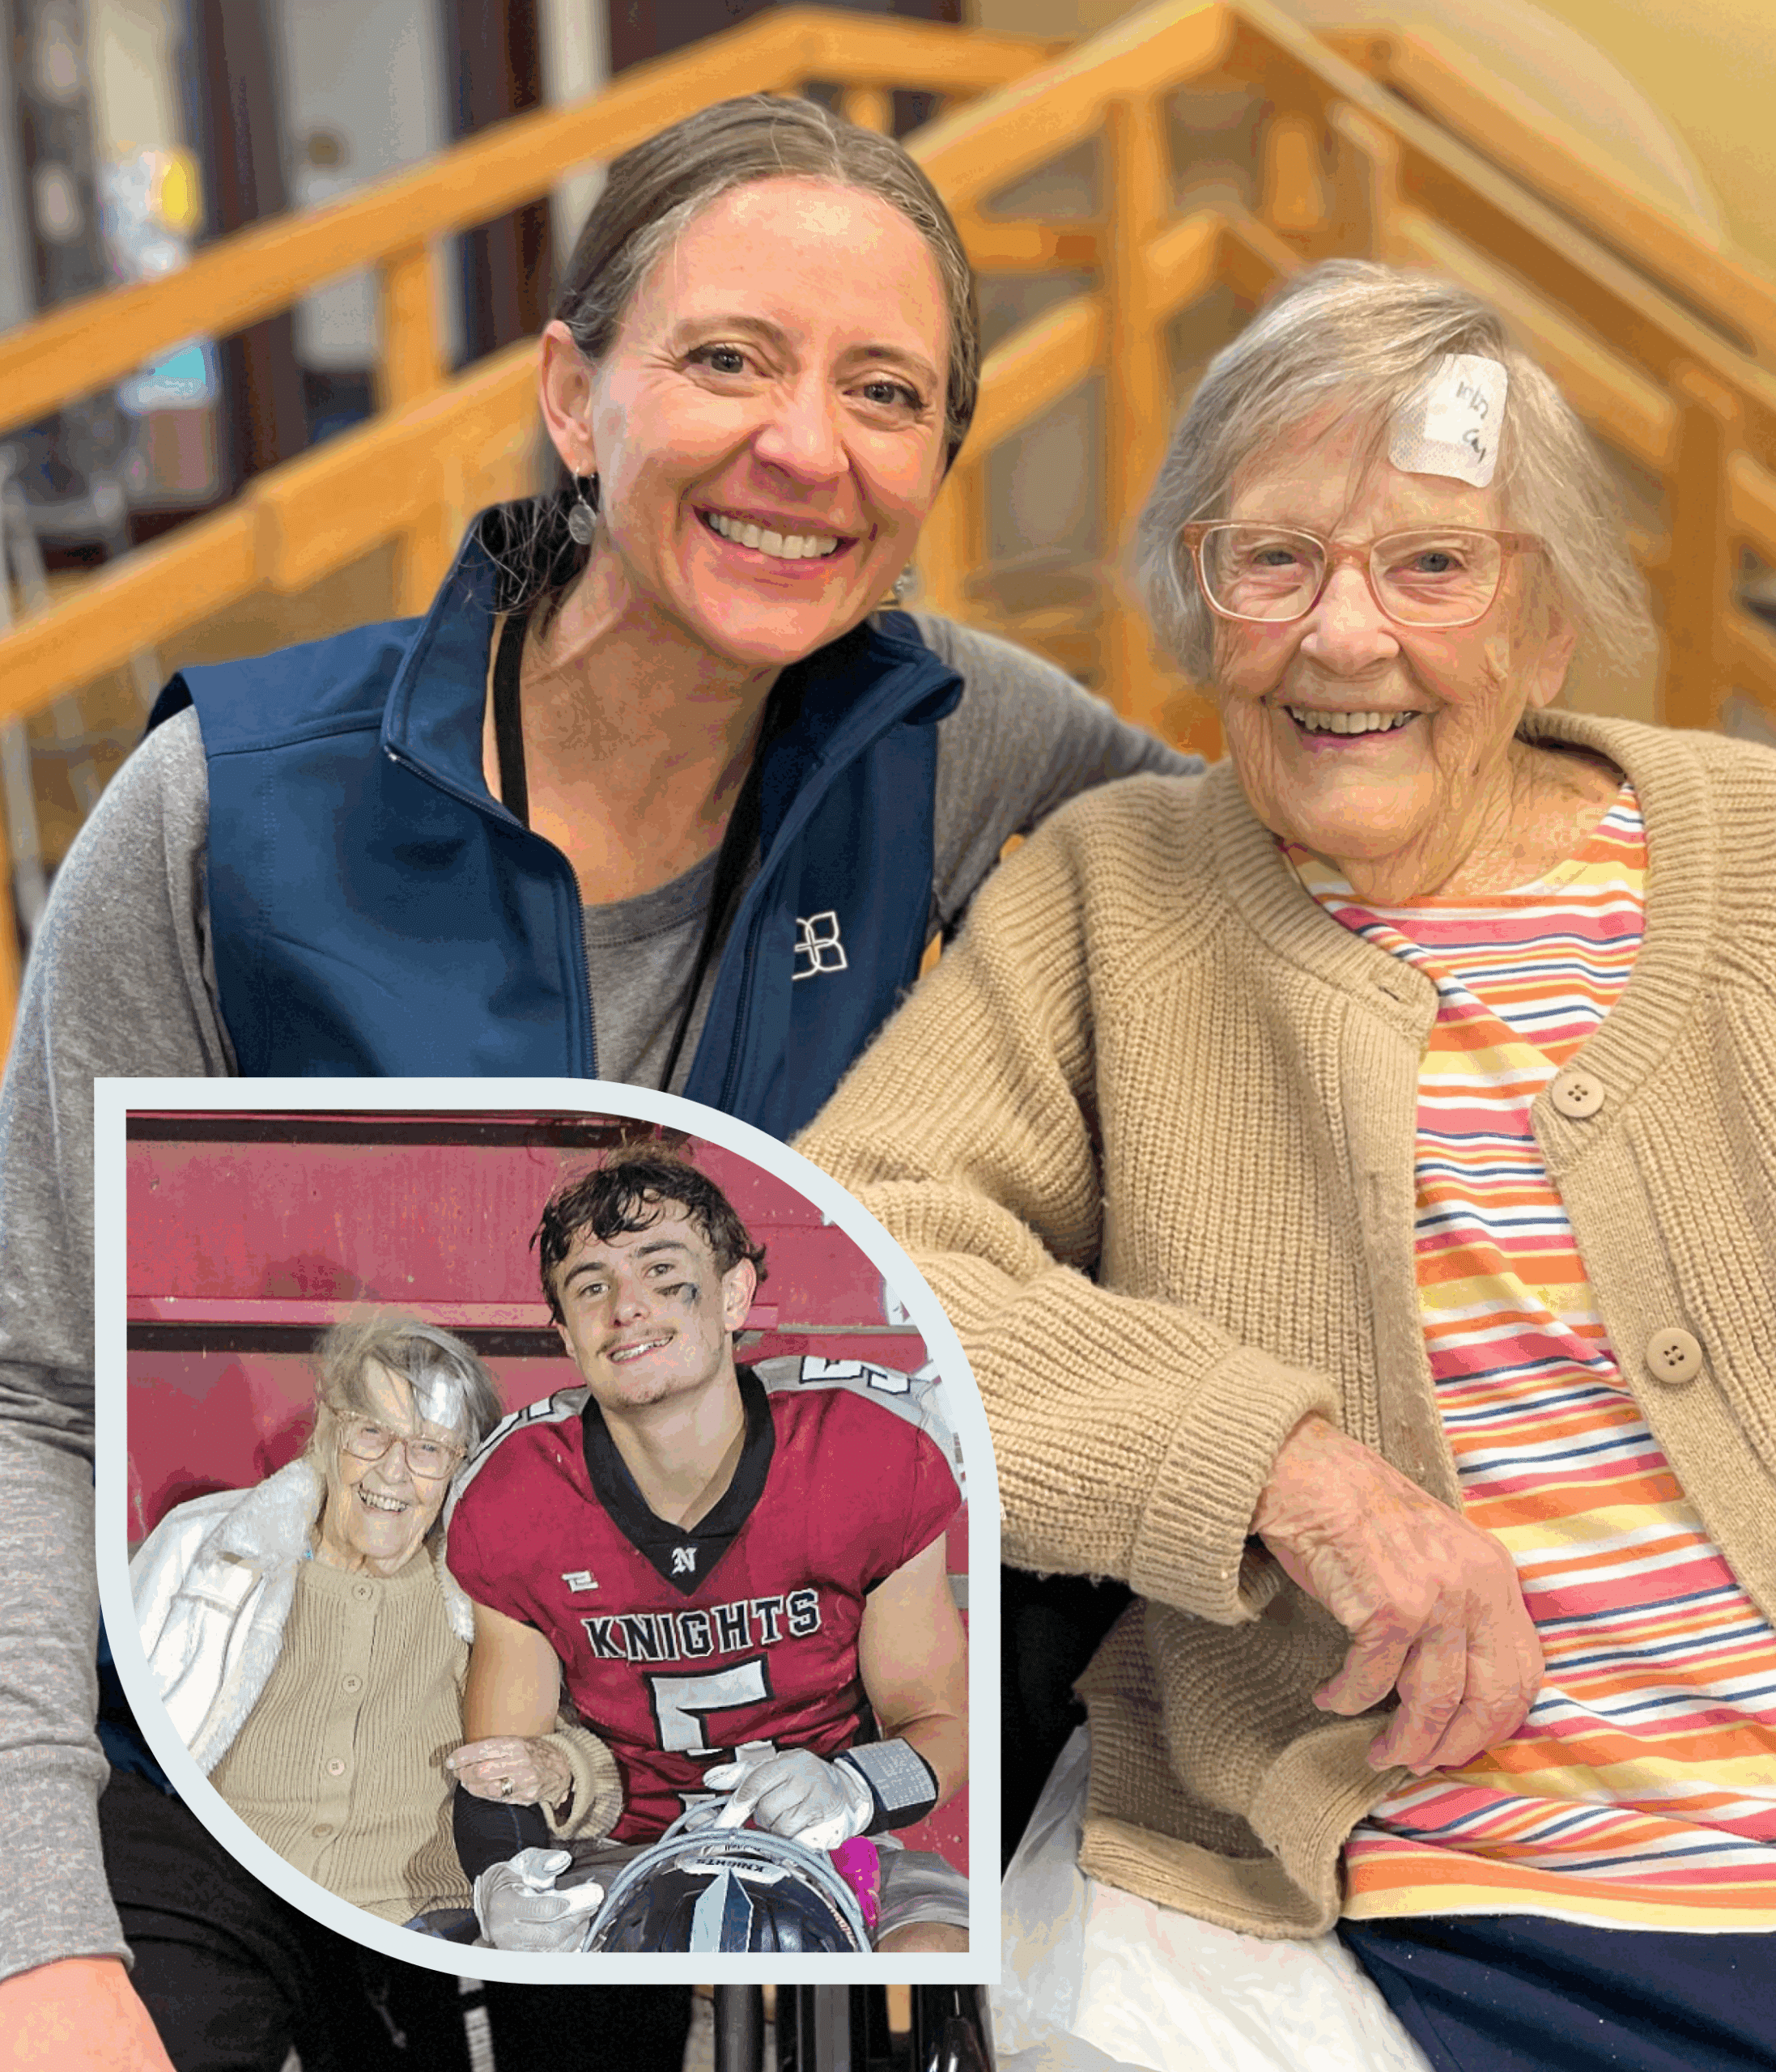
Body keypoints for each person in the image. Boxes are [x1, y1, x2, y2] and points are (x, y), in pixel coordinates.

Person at [0, 93, 1189, 2071]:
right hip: (254, 1764)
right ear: (573, 392)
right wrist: (36, 1933)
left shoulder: (974, 749)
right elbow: (32, 1396)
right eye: (726, 357)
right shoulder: (226, 809)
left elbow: (1316, 864)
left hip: (754, 1754)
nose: (804, 445)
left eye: (884, 393)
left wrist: (1645, 808)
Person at [798, 260, 1776, 2072]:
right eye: (1273, 561)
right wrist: (1284, 1469)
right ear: (1197, 599)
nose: (1342, 636)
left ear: (1543, 624)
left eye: (1432, 565)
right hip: (1376, 1879)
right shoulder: (1111, 897)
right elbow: (856, 1264)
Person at [441, 1149, 970, 1956]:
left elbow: (943, 1723)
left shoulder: (865, 1451)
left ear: (733, 1293)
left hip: (839, 1845)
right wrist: (507, 1876)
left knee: (933, 1956)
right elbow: (500, 1766)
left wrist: (851, 1788)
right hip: (619, 1855)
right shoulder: (517, 1494)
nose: (627, 1308)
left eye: (662, 1271)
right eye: (592, 1286)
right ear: (566, 1335)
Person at [116, 1314, 511, 2071]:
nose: (395, 1472)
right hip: (223, 1904)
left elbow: (571, 1752)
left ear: (461, 1468)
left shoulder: (484, 1595)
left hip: (415, 1926)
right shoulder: (202, 1549)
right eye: (372, 1433)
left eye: (428, 1448)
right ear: (329, 1427)